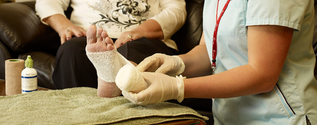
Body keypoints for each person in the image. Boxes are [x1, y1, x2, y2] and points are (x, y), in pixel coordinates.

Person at [87, 0, 317, 124]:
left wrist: (178, 87)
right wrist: (173, 63)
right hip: (228, 117)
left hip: (279, 119)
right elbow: (210, 51)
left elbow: (262, 74)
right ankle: (114, 74)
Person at [35, 0, 186, 97]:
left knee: (129, 51)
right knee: (71, 50)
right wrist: (65, 26)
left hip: (144, 39)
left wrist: (140, 32)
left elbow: (176, 10)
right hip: (90, 37)